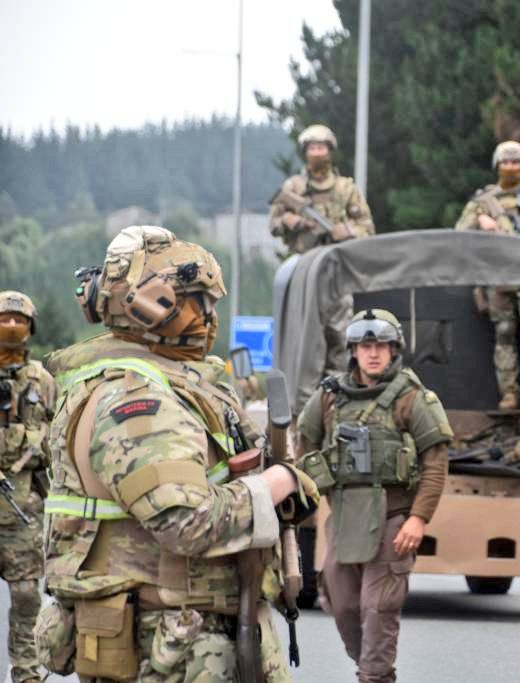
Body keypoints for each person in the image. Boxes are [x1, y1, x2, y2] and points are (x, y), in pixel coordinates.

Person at [40, 225, 318, 682]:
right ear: (151, 306)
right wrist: (275, 485)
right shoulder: (138, 400)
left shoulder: (166, 385)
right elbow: (186, 522)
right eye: (197, 301)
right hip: (172, 649)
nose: (208, 317)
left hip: (186, 642)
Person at [295, 309, 451, 683]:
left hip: (393, 519)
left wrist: (418, 518)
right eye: (365, 347)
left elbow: (436, 460)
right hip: (345, 518)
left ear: (394, 348)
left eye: (381, 345)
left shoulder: (412, 397)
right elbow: (304, 442)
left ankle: (374, 675)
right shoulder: (330, 396)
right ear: (354, 351)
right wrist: (315, 480)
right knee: (342, 603)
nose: (374, 353)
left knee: (378, 607)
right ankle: (370, 666)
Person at [455, 140, 520, 411]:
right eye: (505, 162)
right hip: (497, 275)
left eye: (515, 162)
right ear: (497, 165)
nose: (510, 167)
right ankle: (509, 393)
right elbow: (459, 234)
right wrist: (481, 222)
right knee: (504, 333)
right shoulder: (485, 200)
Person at [269, 123, 376, 371]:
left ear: (330, 150)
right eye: (313, 148)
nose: (317, 153)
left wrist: (346, 230)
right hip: (303, 268)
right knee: (303, 332)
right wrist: (292, 221)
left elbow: (367, 227)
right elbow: (274, 224)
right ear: (305, 152)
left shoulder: (346, 189)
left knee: (340, 332)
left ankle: (340, 380)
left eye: (322, 147)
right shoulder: (294, 188)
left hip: (337, 271)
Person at [0, 291, 54, 683]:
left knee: (25, 596)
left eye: (19, 320)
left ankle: (26, 673)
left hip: (22, 509)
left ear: (31, 328)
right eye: (4, 318)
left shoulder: (42, 381)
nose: (12, 325)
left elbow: (58, 439)